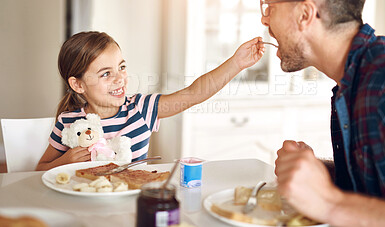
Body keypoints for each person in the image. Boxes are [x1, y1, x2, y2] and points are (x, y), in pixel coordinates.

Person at [261, 0, 385, 226]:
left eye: (270, 5)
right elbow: (379, 187)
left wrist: (329, 203)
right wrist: (319, 173)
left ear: (304, 14)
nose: (264, 19)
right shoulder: (353, 80)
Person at [36, 32, 265, 171]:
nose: (120, 79)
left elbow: (194, 93)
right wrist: (65, 161)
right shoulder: (68, 122)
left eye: (122, 68)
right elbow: (40, 169)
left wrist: (236, 63)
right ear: (78, 85)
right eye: (106, 73)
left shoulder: (140, 109)